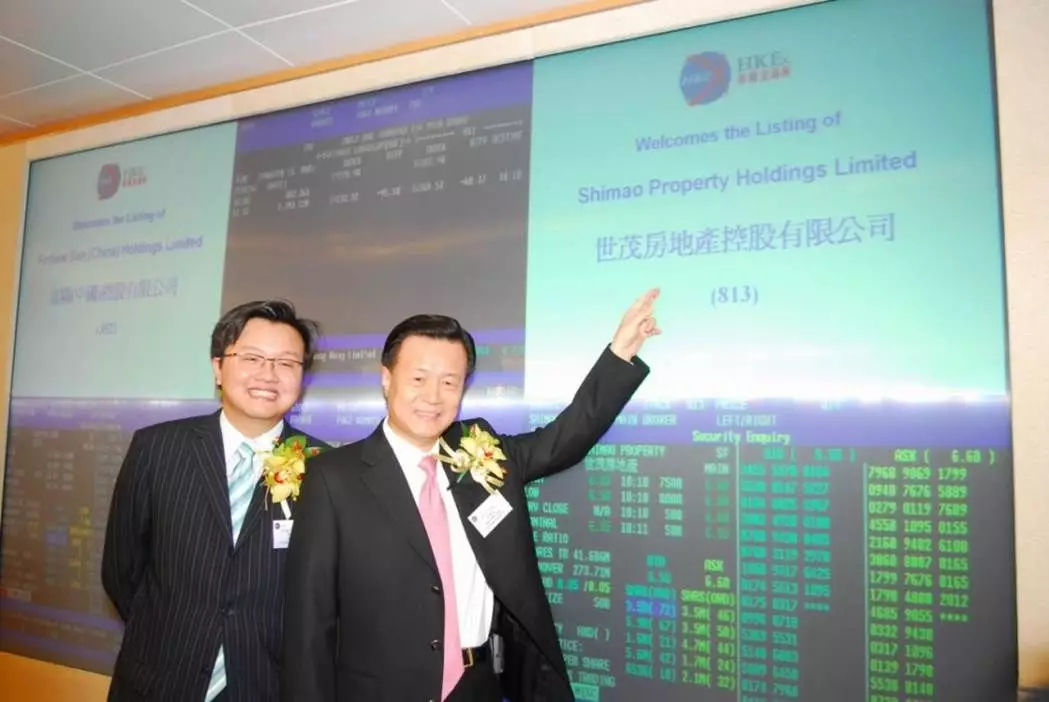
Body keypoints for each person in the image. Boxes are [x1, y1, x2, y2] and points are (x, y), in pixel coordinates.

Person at [281, 289, 661, 702]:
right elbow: (309, 625)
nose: (433, 396)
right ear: (387, 379)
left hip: (476, 687)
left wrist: (620, 352)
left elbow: (564, 438)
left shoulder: (481, 453)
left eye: (450, 382)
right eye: (418, 379)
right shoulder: (333, 477)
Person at [101, 300, 329, 702]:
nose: (268, 374)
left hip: (264, 685)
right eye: (252, 358)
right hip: (157, 680)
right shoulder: (157, 448)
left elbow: (324, 596)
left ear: (301, 377)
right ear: (218, 367)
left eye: (286, 363)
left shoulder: (325, 468)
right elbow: (122, 570)